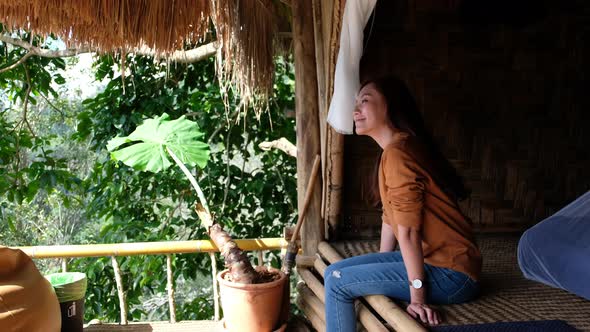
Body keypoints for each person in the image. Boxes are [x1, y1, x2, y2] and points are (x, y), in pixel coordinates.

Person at [324, 76, 482, 331]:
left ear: (390, 106)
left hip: (453, 274)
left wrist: (417, 297)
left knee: (337, 283)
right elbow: (390, 217)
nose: (355, 111)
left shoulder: (398, 153)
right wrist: (382, 266)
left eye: (365, 101)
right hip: (441, 262)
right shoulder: (395, 149)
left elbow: (408, 230)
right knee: (333, 272)